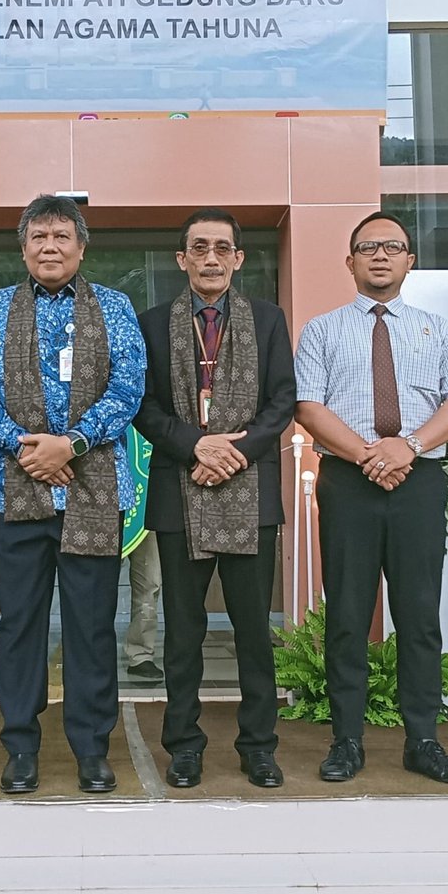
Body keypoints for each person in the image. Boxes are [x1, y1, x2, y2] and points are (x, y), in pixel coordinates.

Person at [0, 194, 146, 795]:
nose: (50, 247)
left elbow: (129, 387)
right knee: (20, 624)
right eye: (38, 237)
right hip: (8, 492)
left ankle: (92, 748)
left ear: (81, 246)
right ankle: (20, 746)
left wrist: (74, 442)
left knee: (92, 626)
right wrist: (24, 444)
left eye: (62, 236)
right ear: (23, 247)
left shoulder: (115, 308)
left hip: (92, 493)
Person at [295, 211, 448, 784]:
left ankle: (422, 739)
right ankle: (346, 739)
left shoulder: (437, 329)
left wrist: (408, 447)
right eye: (367, 247)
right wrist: (369, 455)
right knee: (348, 614)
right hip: (349, 482)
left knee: (419, 614)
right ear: (349, 261)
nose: (380, 256)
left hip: (418, 481)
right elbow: (308, 406)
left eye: (392, 247)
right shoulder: (321, 330)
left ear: (409, 260)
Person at [136, 208, 296, 789]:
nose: (210, 257)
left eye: (221, 248)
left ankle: (258, 745)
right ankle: (183, 745)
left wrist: (235, 453)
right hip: (181, 495)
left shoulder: (269, 319)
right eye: (198, 247)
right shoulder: (152, 324)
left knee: (254, 630)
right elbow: (145, 406)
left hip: (251, 495)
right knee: (183, 632)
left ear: (238, 258)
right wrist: (197, 447)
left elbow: (283, 401)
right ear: (182, 259)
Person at [122, 529, 162, 680]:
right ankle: (92, 651)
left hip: (145, 511)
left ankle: (141, 654)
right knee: (98, 581)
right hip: (102, 510)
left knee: (149, 581)